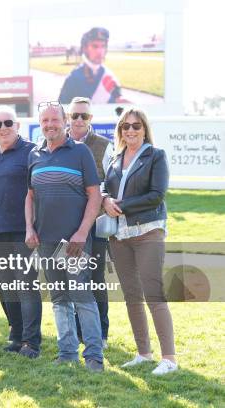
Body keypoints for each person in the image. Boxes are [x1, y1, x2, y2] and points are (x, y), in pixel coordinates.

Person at [25, 101, 104, 372]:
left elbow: (95, 194)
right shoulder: (35, 155)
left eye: (54, 120)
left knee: (81, 295)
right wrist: (29, 227)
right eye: (44, 120)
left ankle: (94, 355)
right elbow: (30, 195)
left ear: (65, 121)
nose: (50, 125)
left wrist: (82, 232)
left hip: (74, 242)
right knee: (59, 297)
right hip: (46, 240)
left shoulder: (80, 152)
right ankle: (67, 351)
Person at [102, 107, 177, 375]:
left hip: (148, 233)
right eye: (126, 126)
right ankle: (144, 353)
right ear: (120, 130)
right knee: (132, 296)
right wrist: (105, 200)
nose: (130, 130)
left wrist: (121, 205)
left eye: (136, 126)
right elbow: (103, 187)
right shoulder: (114, 158)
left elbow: (157, 194)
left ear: (144, 129)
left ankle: (169, 358)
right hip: (119, 236)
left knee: (154, 294)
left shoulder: (155, 156)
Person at [0, 106, 42, 358]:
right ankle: (16, 335)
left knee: (26, 287)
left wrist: (34, 227)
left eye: (8, 123)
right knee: (5, 287)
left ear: (17, 125)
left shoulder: (31, 152)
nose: (3, 128)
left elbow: (37, 191)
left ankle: (31, 341)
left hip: (24, 231)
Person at [67, 97, 114, 348]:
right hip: (65, 225)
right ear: (68, 117)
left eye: (83, 116)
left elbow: (113, 182)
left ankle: (101, 333)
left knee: (95, 279)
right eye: (74, 115)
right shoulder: (56, 143)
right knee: (72, 279)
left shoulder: (104, 146)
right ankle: (76, 332)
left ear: (91, 119)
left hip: (94, 224)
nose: (78, 120)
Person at [59, 27, 125, 104]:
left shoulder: (109, 76)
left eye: (103, 46)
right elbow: (62, 110)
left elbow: (118, 102)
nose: (100, 51)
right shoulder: (73, 78)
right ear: (85, 48)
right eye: (95, 46)